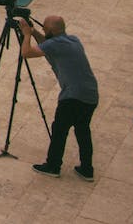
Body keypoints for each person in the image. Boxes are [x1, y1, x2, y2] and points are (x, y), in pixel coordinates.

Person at [18, 13, 99, 180]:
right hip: (90, 94)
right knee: (82, 130)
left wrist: (26, 35)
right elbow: (48, 44)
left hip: (73, 96)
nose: (43, 30)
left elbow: (26, 53)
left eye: (44, 28)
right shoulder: (73, 40)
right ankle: (87, 169)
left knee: (59, 130)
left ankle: (53, 166)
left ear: (51, 31)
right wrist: (34, 32)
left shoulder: (53, 44)